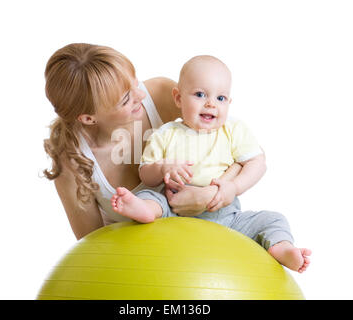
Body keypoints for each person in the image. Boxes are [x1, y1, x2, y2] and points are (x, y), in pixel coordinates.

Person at [111, 55, 311, 273]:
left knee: (274, 219)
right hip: (173, 210)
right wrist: (163, 168)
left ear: (229, 103)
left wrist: (233, 187)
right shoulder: (166, 133)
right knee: (148, 196)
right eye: (200, 94)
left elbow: (257, 163)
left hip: (227, 217)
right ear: (178, 98)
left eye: (221, 98)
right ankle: (145, 211)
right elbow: (145, 175)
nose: (211, 104)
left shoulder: (233, 130)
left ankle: (281, 247)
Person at [43, 43, 235, 241]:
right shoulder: (72, 164)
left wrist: (212, 193)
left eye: (135, 83)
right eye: (126, 99)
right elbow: (92, 244)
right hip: (139, 256)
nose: (141, 96)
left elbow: (241, 152)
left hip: (207, 234)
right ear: (88, 118)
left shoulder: (162, 95)